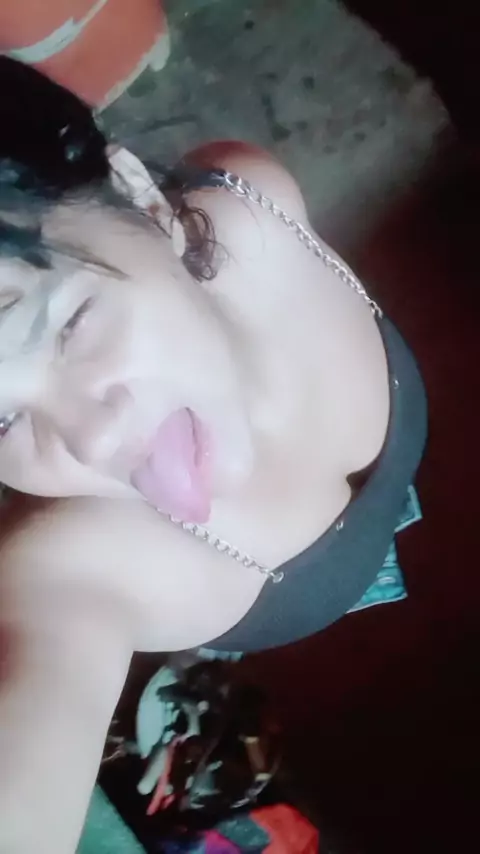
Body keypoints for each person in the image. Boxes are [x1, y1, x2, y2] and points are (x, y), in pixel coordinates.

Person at [0, 56, 427, 853]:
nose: (90, 440)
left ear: (138, 196)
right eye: (0, 423)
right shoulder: (67, 575)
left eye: (68, 325)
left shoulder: (252, 196)